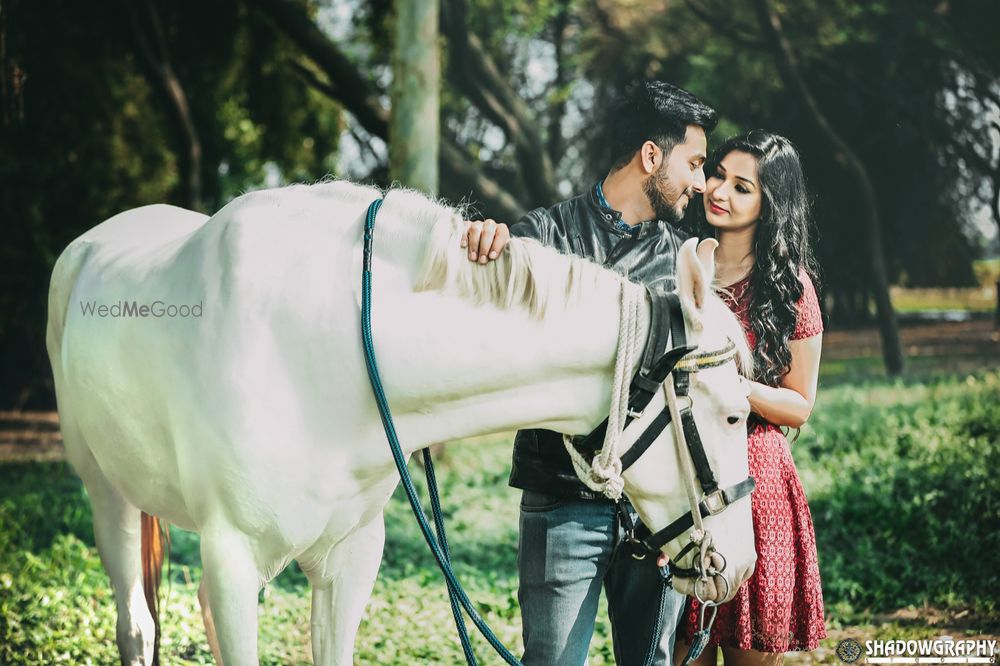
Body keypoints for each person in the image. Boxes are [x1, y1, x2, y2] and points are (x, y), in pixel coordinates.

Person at [464, 81, 718, 666]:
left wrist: (673, 521)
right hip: (561, 501)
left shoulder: (681, 262)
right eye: (695, 163)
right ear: (651, 157)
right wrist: (484, 246)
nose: (701, 183)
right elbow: (478, 330)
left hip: (650, 515)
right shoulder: (542, 238)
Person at [674, 130, 827, 666]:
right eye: (717, 175)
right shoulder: (679, 264)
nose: (719, 191)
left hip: (757, 485)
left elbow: (800, 404)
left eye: (742, 187)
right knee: (676, 648)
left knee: (749, 650)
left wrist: (734, 387)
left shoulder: (791, 287)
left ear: (770, 205)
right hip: (680, 484)